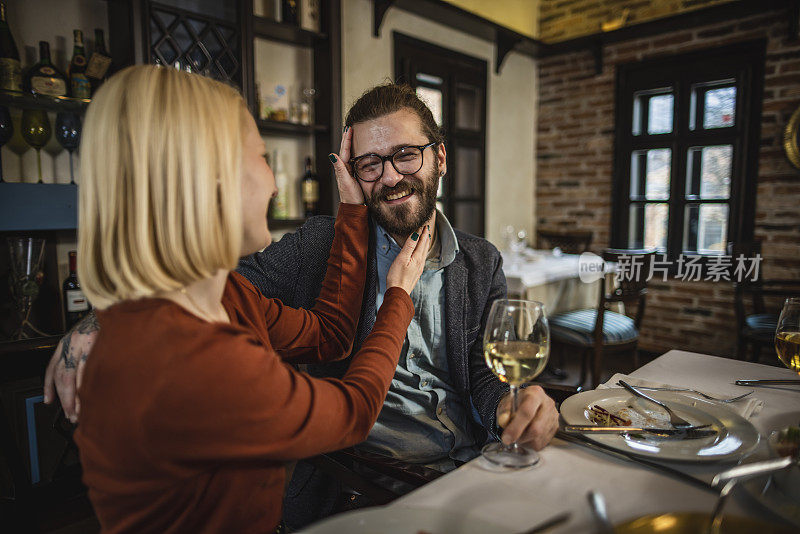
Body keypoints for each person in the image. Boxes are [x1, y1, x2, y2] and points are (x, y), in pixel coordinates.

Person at [45, 83, 559, 527]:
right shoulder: (320, 244)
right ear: (354, 172)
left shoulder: (480, 260)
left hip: (471, 468)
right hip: (367, 485)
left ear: (439, 157)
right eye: (370, 163)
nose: (390, 177)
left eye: (406, 155)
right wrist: (97, 323)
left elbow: (483, 373)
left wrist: (512, 405)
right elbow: (202, 290)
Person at [64, 65, 430, 533]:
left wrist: (353, 210)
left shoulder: (226, 296)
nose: (275, 184)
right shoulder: (199, 358)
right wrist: (398, 296)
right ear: (211, 180)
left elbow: (331, 336)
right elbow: (354, 411)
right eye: (261, 157)